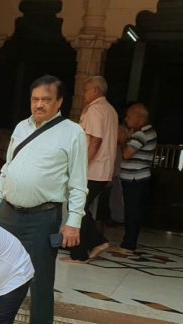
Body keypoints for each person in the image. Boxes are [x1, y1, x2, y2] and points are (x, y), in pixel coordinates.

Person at [0, 75, 87, 324]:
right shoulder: (21, 127)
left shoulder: (72, 132)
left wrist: (74, 221)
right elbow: (7, 169)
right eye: (35, 99)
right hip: (8, 213)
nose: (39, 105)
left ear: (59, 102)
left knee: (40, 279)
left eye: (46, 100)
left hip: (43, 217)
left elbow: (78, 182)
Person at [61, 76, 116, 263]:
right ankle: (90, 245)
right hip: (103, 170)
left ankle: (83, 251)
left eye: (86, 90)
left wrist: (80, 167)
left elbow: (95, 141)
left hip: (92, 169)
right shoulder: (110, 110)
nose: (83, 94)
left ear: (95, 90)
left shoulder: (95, 110)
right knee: (81, 207)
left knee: (77, 207)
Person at [115, 103, 157, 255]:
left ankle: (128, 245)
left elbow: (127, 154)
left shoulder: (141, 134)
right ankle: (129, 242)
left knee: (132, 211)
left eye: (129, 116)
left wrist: (122, 140)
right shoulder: (146, 131)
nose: (126, 119)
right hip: (137, 178)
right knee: (133, 210)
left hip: (135, 178)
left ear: (140, 118)